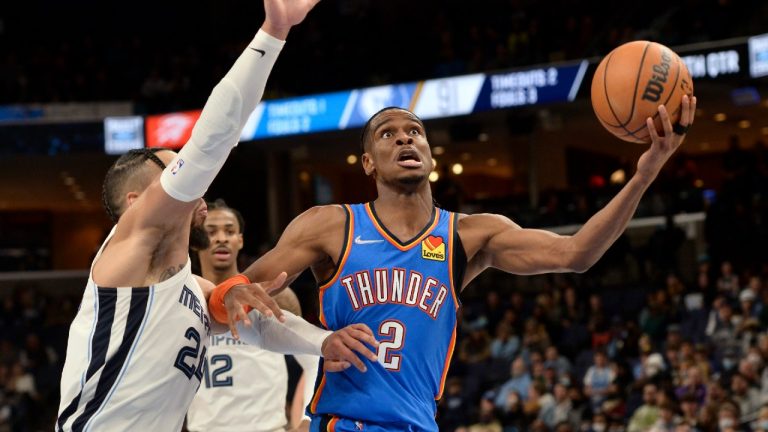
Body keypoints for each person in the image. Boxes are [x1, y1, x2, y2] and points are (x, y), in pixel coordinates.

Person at [215, 95, 697, 431]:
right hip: (346, 421)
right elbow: (241, 291)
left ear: (429, 152)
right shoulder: (329, 225)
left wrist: (645, 173)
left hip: (420, 422)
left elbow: (577, 254)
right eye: (388, 134)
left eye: (415, 132)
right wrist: (232, 291)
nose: (405, 140)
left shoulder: (470, 234)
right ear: (367, 163)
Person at [55, 1, 378, 430]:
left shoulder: (186, 284)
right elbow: (210, 143)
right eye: (171, 169)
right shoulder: (131, 242)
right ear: (136, 202)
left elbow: (259, 329)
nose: (190, 182)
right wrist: (273, 32)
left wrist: (325, 342)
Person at [186, 200, 319, 432]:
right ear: (197, 243)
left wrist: (308, 419)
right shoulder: (185, 298)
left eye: (229, 231)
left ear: (240, 240)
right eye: (211, 231)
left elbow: (314, 359)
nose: (221, 238)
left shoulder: (278, 296)